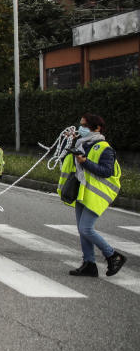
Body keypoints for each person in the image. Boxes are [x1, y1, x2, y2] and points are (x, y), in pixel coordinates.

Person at [60, 113, 126, 277]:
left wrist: (85, 162)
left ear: (96, 128)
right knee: (82, 230)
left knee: (86, 228)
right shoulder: (83, 144)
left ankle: (113, 255)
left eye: (85, 126)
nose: (81, 128)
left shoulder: (105, 148)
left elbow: (107, 171)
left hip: (97, 195)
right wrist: (70, 142)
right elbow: (64, 160)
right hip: (82, 192)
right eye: (81, 125)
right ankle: (89, 264)